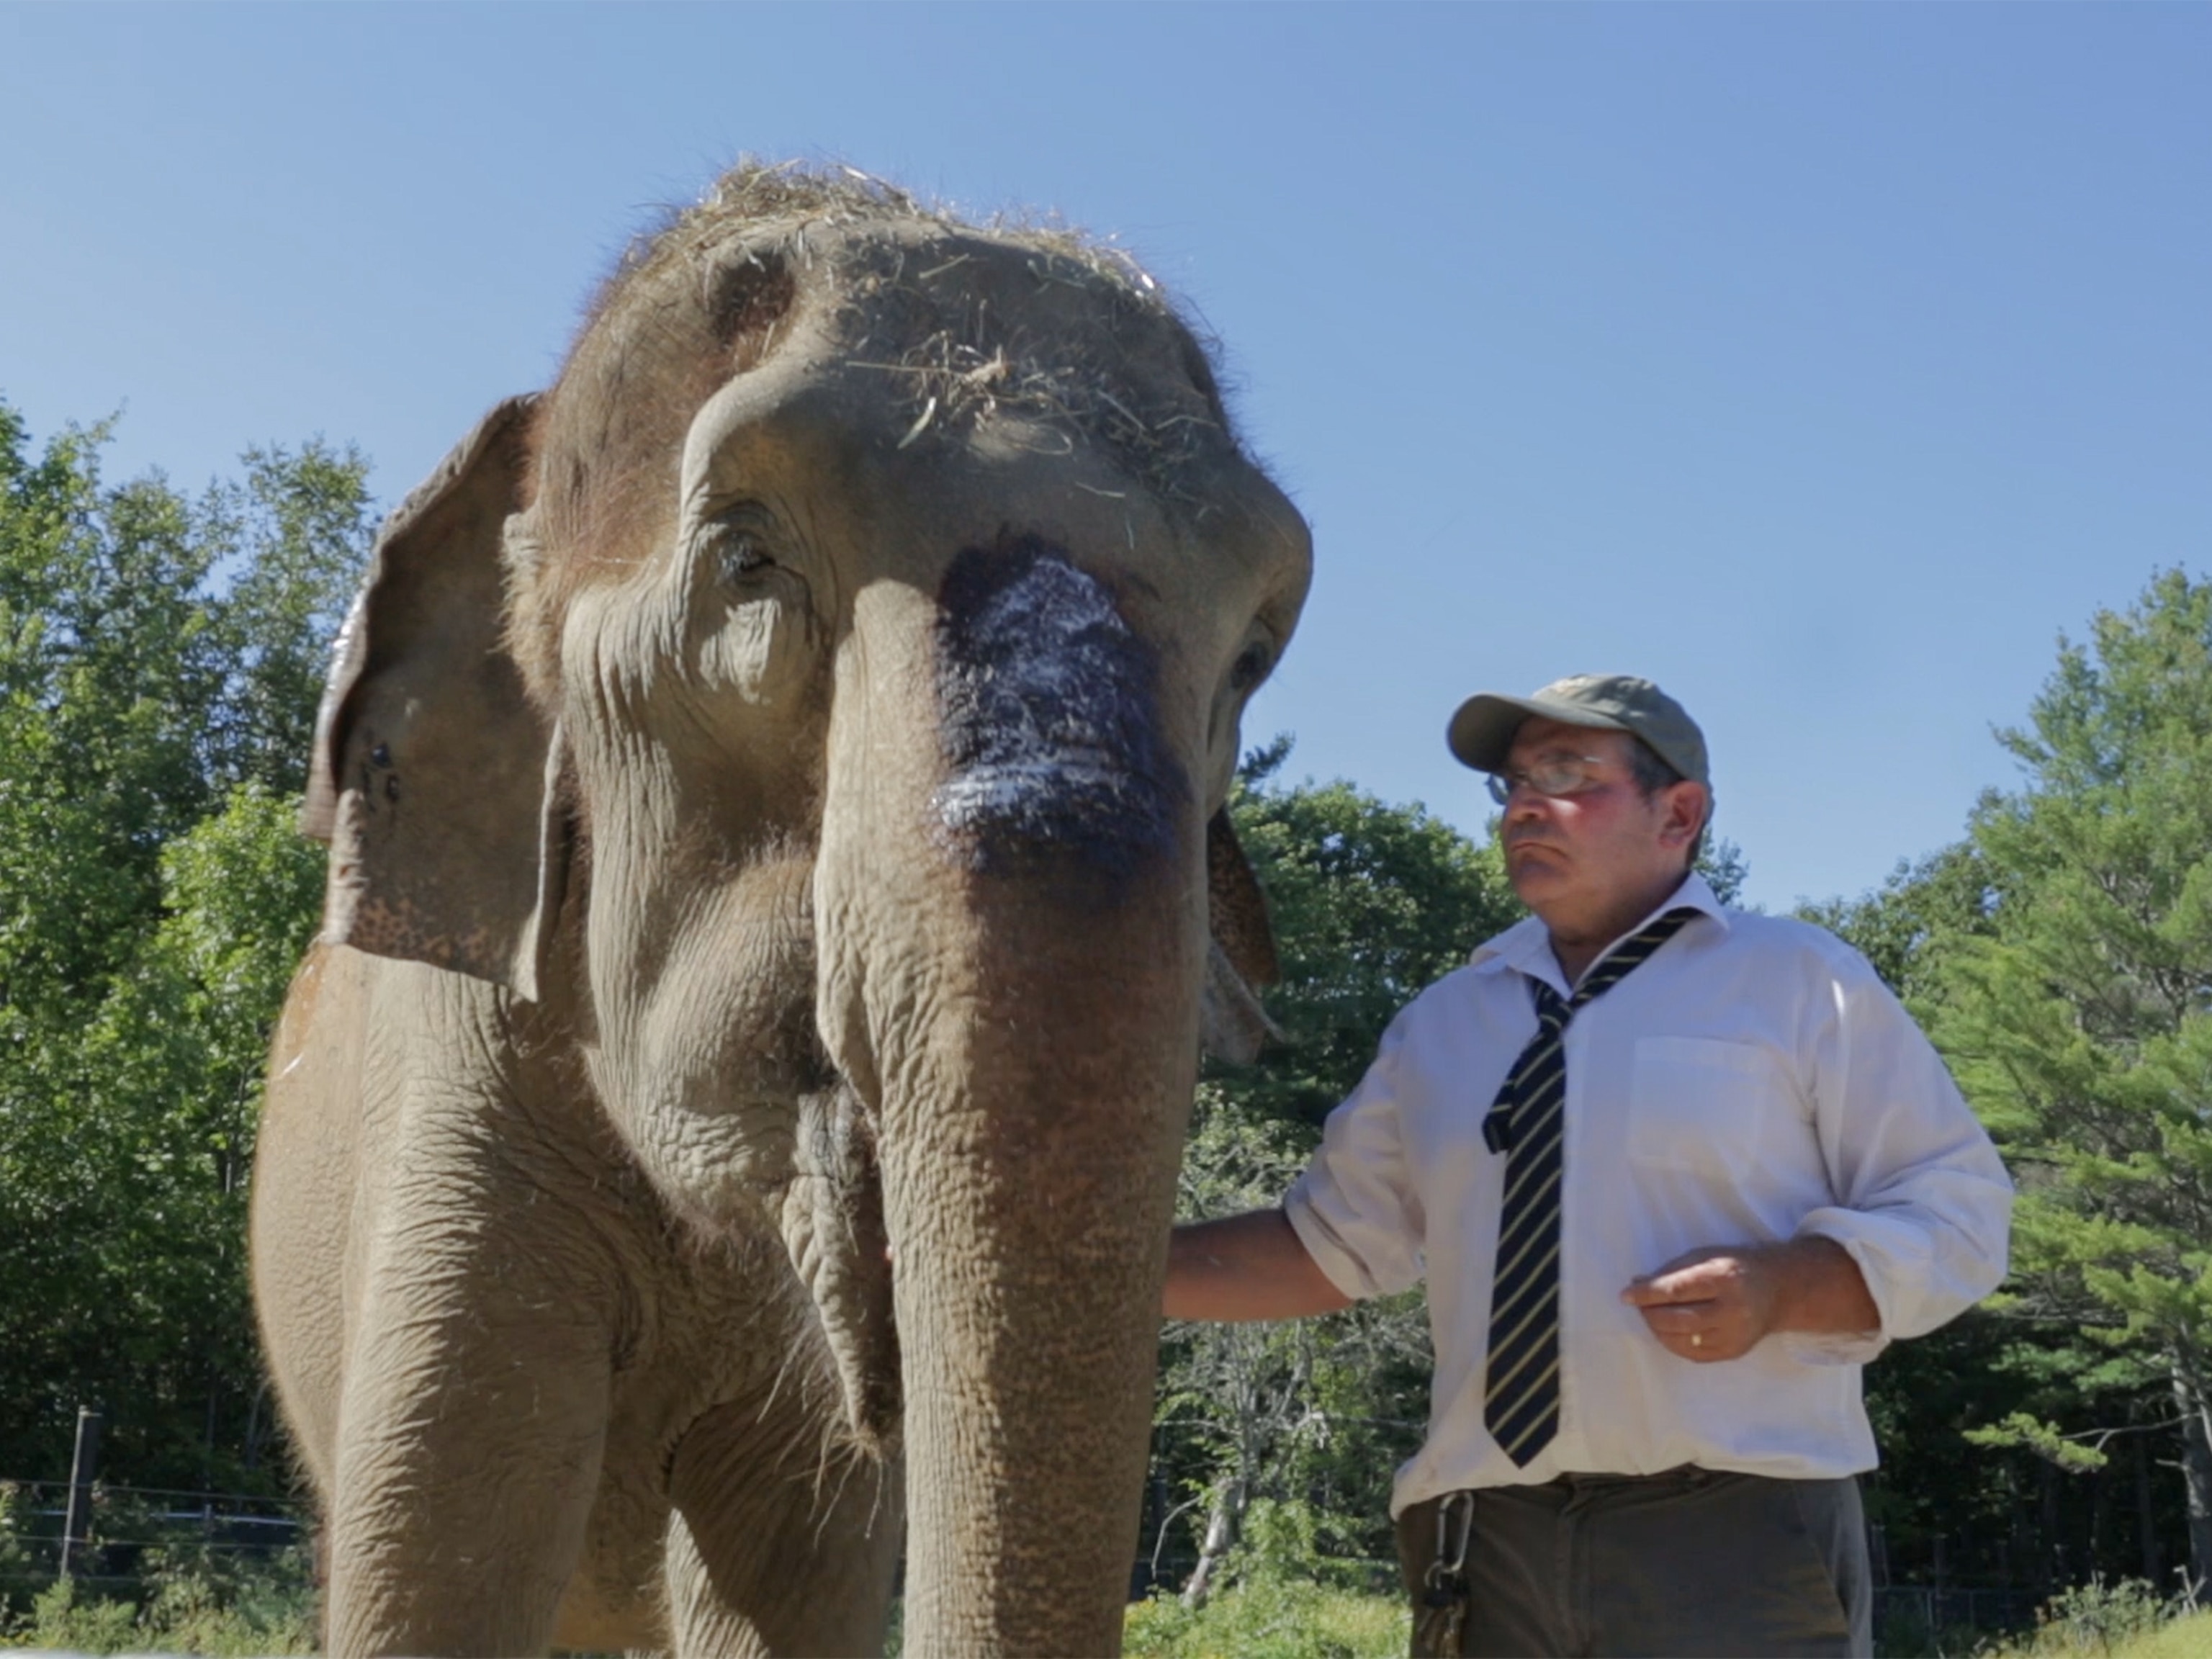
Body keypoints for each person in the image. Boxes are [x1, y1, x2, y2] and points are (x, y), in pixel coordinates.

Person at [1164, 673, 2012, 1658]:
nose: (1525, 804)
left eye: (1570, 775)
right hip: (1486, 1546)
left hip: (1731, 1537)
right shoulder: (1445, 1023)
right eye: (1515, 781)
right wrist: (1088, 1276)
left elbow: (1959, 1214)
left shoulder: (1800, 981)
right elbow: (1328, 1248)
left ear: (1679, 812)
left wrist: (1785, 1288)